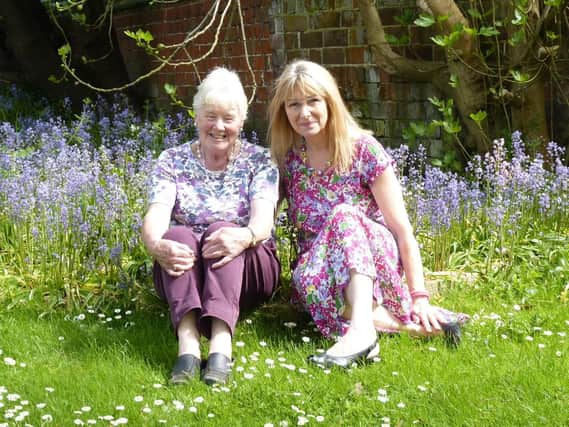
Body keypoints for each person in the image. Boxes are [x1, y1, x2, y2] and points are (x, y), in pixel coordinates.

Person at [268, 60, 467, 369]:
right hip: (320, 266)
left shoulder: (363, 150)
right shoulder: (290, 161)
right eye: (293, 104)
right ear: (284, 111)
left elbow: (402, 230)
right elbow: (262, 215)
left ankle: (361, 330)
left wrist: (420, 296)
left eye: (312, 101)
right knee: (306, 280)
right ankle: (415, 328)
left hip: (373, 256)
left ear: (330, 102)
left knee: (343, 215)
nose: (303, 112)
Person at [142, 67, 280, 385]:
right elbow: (156, 214)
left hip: (249, 270)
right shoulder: (172, 161)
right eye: (210, 116)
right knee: (176, 234)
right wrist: (155, 244)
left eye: (228, 118)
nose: (218, 126)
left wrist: (243, 236)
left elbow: (262, 222)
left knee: (223, 230)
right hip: (188, 271)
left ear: (241, 122)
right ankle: (188, 347)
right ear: (195, 117)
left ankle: (221, 344)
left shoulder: (260, 161)